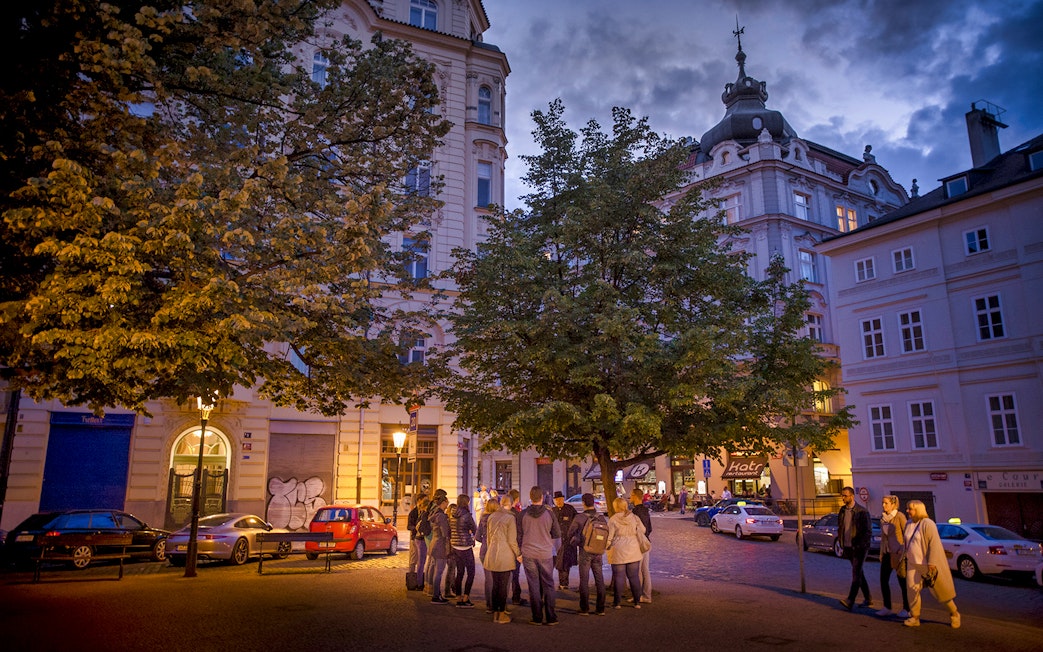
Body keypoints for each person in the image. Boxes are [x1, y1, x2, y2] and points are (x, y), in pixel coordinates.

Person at [903, 500, 960, 628]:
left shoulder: (928, 524)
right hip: (913, 563)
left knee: (941, 591)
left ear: (918, 510)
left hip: (927, 564)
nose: (907, 511)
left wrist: (932, 562)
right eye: (907, 509)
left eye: (910, 509)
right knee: (912, 590)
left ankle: (954, 613)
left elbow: (934, 544)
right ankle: (915, 616)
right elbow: (907, 542)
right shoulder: (908, 524)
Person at [519, 486, 561, 625]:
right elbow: (556, 534)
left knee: (533, 585)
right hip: (545, 553)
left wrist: (520, 552)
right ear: (542, 498)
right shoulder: (549, 513)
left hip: (528, 553)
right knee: (548, 584)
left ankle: (537, 617)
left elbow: (519, 535)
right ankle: (551, 617)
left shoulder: (523, 514)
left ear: (531, 498)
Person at [566, 493, 606, 615]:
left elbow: (570, 533)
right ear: (593, 502)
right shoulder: (601, 517)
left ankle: (584, 608)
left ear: (583, 503)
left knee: (584, 579)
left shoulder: (580, 517)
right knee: (599, 579)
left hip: (585, 551)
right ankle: (600, 608)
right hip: (598, 551)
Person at [483, 496, 521, 624]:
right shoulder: (510, 518)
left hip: (492, 553)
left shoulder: (491, 517)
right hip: (505, 555)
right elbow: (512, 540)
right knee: (503, 586)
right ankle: (501, 614)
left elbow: (488, 538)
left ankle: (495, 613)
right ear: (510, 504)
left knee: (495, 585)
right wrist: (518, 554)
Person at [837, 486, 872, 610]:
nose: (843, 497)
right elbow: (841, 527)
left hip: (859, 548)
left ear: (852, 496)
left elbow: (868, 531)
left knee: (856, 573)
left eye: (845, 495)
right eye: (842, 495)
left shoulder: (861, 511)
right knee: (859, 573)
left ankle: (850, 600)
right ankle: (868, 598)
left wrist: (861, 545)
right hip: (848, 546)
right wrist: (841, 543)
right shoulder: (842, 510)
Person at [876, 495, 910, 619]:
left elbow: (906, 534)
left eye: (885, 503)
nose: (883, 505)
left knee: (902, 581)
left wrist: (902, 551)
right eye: (882, 503)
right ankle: (887, 607)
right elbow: (883, 538)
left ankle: (907, 608)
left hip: (898, 554)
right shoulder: (883, 518)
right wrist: (881, 553)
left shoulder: (899, 516)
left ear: (893, 504)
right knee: (883, 580)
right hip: (886, 553)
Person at [607, 497, 644, 609]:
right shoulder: (634, 518)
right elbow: (643, 530)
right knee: (634, 576)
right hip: (633, 549)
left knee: (619, 577)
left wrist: (606, 546)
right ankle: (637, 602)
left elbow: (609, 536)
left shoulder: (613, 519)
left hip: (618, 549)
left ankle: (617, 602)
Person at [449, 494, 477, 608]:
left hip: (455, 546)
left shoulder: (452, 514)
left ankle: (458, 597)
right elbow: (474, 528)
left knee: (460, 572)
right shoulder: (466, 515)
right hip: (465, 546)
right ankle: (466, 597)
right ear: (466, 502)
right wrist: (470, 533)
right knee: (471, 572)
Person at [475, 496, 500, 611]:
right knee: (497, 579)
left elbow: (477, 537)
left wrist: (485, 540)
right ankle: (497, 604)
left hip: (484, 551)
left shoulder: (483, 518)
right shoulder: (498, 519)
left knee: (488, 578)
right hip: (495, 550)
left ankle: (489, 605)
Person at [629, 488, 653, 603]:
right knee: (645, 570)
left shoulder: (635, 512)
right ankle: (647, 595)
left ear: (635, 496)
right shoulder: (646, 510)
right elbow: (649, 528)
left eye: (631, 495)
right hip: (646, 542)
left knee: (637, 570)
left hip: (638, 543)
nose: (630, 498)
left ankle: (637, 596)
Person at [551, 490, 577, 590]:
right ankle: (563, 583)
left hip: (568, 540)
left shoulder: (570, 509)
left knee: (566, 563)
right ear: (554, 500)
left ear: (563, 499)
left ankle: (564, 583)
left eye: (560, 499)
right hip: (556, 541)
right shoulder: (552, 511)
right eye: (557, 500)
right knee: (559, 562)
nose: (559, 501)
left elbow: (576, 523)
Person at [429, 495, 452, 604]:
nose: (447, 505)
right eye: (447, 503)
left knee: (436, 570)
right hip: (440, 545)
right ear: (443, 503)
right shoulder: (442, 516)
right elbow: (445, 533)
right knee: (439, 571)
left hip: (434, 543)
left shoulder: (434, 513)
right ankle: (436, 596)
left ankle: (436, 594)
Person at [508, 489, 527, 606]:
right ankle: (516, 597)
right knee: (515, 573)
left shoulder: (505, 513)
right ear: (517, 499)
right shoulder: (517, 514)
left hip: (505, 547)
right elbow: (520, 533)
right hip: (515, 547)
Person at [408, 494, 430, 591]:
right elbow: (409, 526)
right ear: (419, 500)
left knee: (421, 560)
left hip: (422, 538)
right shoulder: (413, 512)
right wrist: (416, 529)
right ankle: (412, 581)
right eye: (424, 500)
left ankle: (419, 580)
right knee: (413, 560)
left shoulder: (425, 511)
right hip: (415, 538)